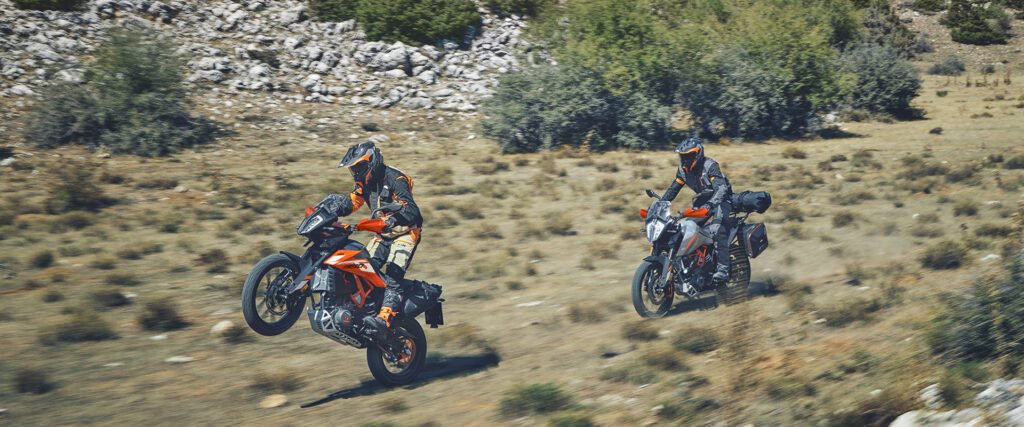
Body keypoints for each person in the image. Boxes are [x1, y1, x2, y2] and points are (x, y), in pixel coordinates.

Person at [331, 141, 423, 337]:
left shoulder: (396, 178)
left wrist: (393, 218)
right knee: (363, 269)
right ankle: (363, 309)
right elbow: (353, 202)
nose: (356, 173)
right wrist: (333, 208)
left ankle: (384, 318)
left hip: (405, 234)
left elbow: (412, 211)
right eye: (353, 169)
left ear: (372, 162)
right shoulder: (364, 182)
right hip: (382, 233)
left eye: (359, 167)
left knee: (392, 274)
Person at [659, 137, 733, 283]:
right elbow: (673, 189)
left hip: (722, 200)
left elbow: (722, 188)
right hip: (703, 201)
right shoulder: (683, 171)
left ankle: (723, 270)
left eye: (688, 156)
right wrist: (661, 203)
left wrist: (711, 205)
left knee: (717, 229)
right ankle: (693, 266)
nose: (685, 160)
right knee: (687, 229)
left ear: (697, 154)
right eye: (682, 156)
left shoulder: (710, 165)